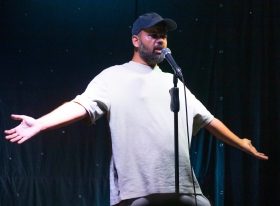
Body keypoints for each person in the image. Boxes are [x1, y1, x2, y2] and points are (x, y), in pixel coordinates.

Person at [4, 12, 268, 206]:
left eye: (163, 35)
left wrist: (241, 144)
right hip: (138, 193)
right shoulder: (114, 76)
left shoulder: (173, 80)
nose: (160, 40)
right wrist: (40, 123)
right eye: (152, 35)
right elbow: (79, 105)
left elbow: (209, 120)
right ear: (135, 40)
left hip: (185, 190)